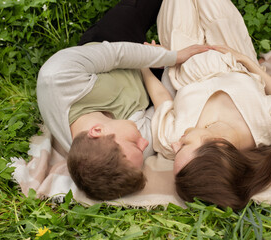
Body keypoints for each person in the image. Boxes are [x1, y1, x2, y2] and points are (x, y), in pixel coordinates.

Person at [141, 0, 271, 210]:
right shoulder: (265, 127)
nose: (176, 146)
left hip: (183, 54)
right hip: (231, 48)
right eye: (184, 146)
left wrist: (144, 63)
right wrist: (248, 62)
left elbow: (161, 97)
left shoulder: (171, 138)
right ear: (218, 143)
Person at [36, 0, 211, 201]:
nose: (145, 143)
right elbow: (165, 106)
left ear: (97, 131)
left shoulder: (58, 78)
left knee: (136, 9)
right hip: (146, 78)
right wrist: (162, 70)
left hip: (112, 46)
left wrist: (169, 56)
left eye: (134, 142)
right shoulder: (131, 156)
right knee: (196, 56)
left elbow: (117, 54)